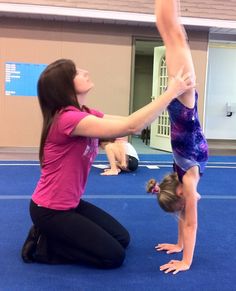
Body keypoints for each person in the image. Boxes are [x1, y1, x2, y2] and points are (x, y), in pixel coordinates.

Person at [21, 58, 194, 269]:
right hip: (49, 210)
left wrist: (176, 106)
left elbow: (133, 122)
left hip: (70, 205)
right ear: (64, 85)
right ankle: (44, 245)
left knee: (122, 238)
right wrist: (170, 93)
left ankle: (58, 235)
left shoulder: (85, 113)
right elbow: (131, 127)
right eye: (76, 72)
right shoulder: (67, 119)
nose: (84, 71)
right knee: (113, 257)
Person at [146, 0, 209, 274]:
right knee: (173, 34)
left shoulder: (182, 182)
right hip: (185, 104)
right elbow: (191, 222)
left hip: (179, 108)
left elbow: (184, 220)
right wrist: (186, 262)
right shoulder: (189, 186)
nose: (181, 212)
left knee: (167, 30)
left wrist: (179, 246)